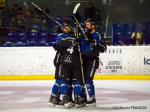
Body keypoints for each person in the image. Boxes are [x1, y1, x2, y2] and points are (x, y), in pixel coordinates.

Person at [48, 22, 85, 108]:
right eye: (65, 27)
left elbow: (80, 41)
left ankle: (67, 98)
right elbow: (59, 45)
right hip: (60, 61)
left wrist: (77, 36)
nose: (67, 28)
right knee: (60, 80)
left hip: (69, 61)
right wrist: (72, 40)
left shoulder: (73, 35)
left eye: (68, 27)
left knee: (67, 80)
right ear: (63, 29)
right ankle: (54, 98)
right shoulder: (61, 36)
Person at [80, 19, 106, 107]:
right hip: (83, 60)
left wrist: (94, 42)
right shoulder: (84, 35)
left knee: (88, 79)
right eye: (86, 25)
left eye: (88, 25)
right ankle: (82, 97)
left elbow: (103, 48)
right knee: (82, 79)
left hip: (92, 60)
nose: (86, 27)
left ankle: (92, 98)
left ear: (93, 26)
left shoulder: (97, 35)